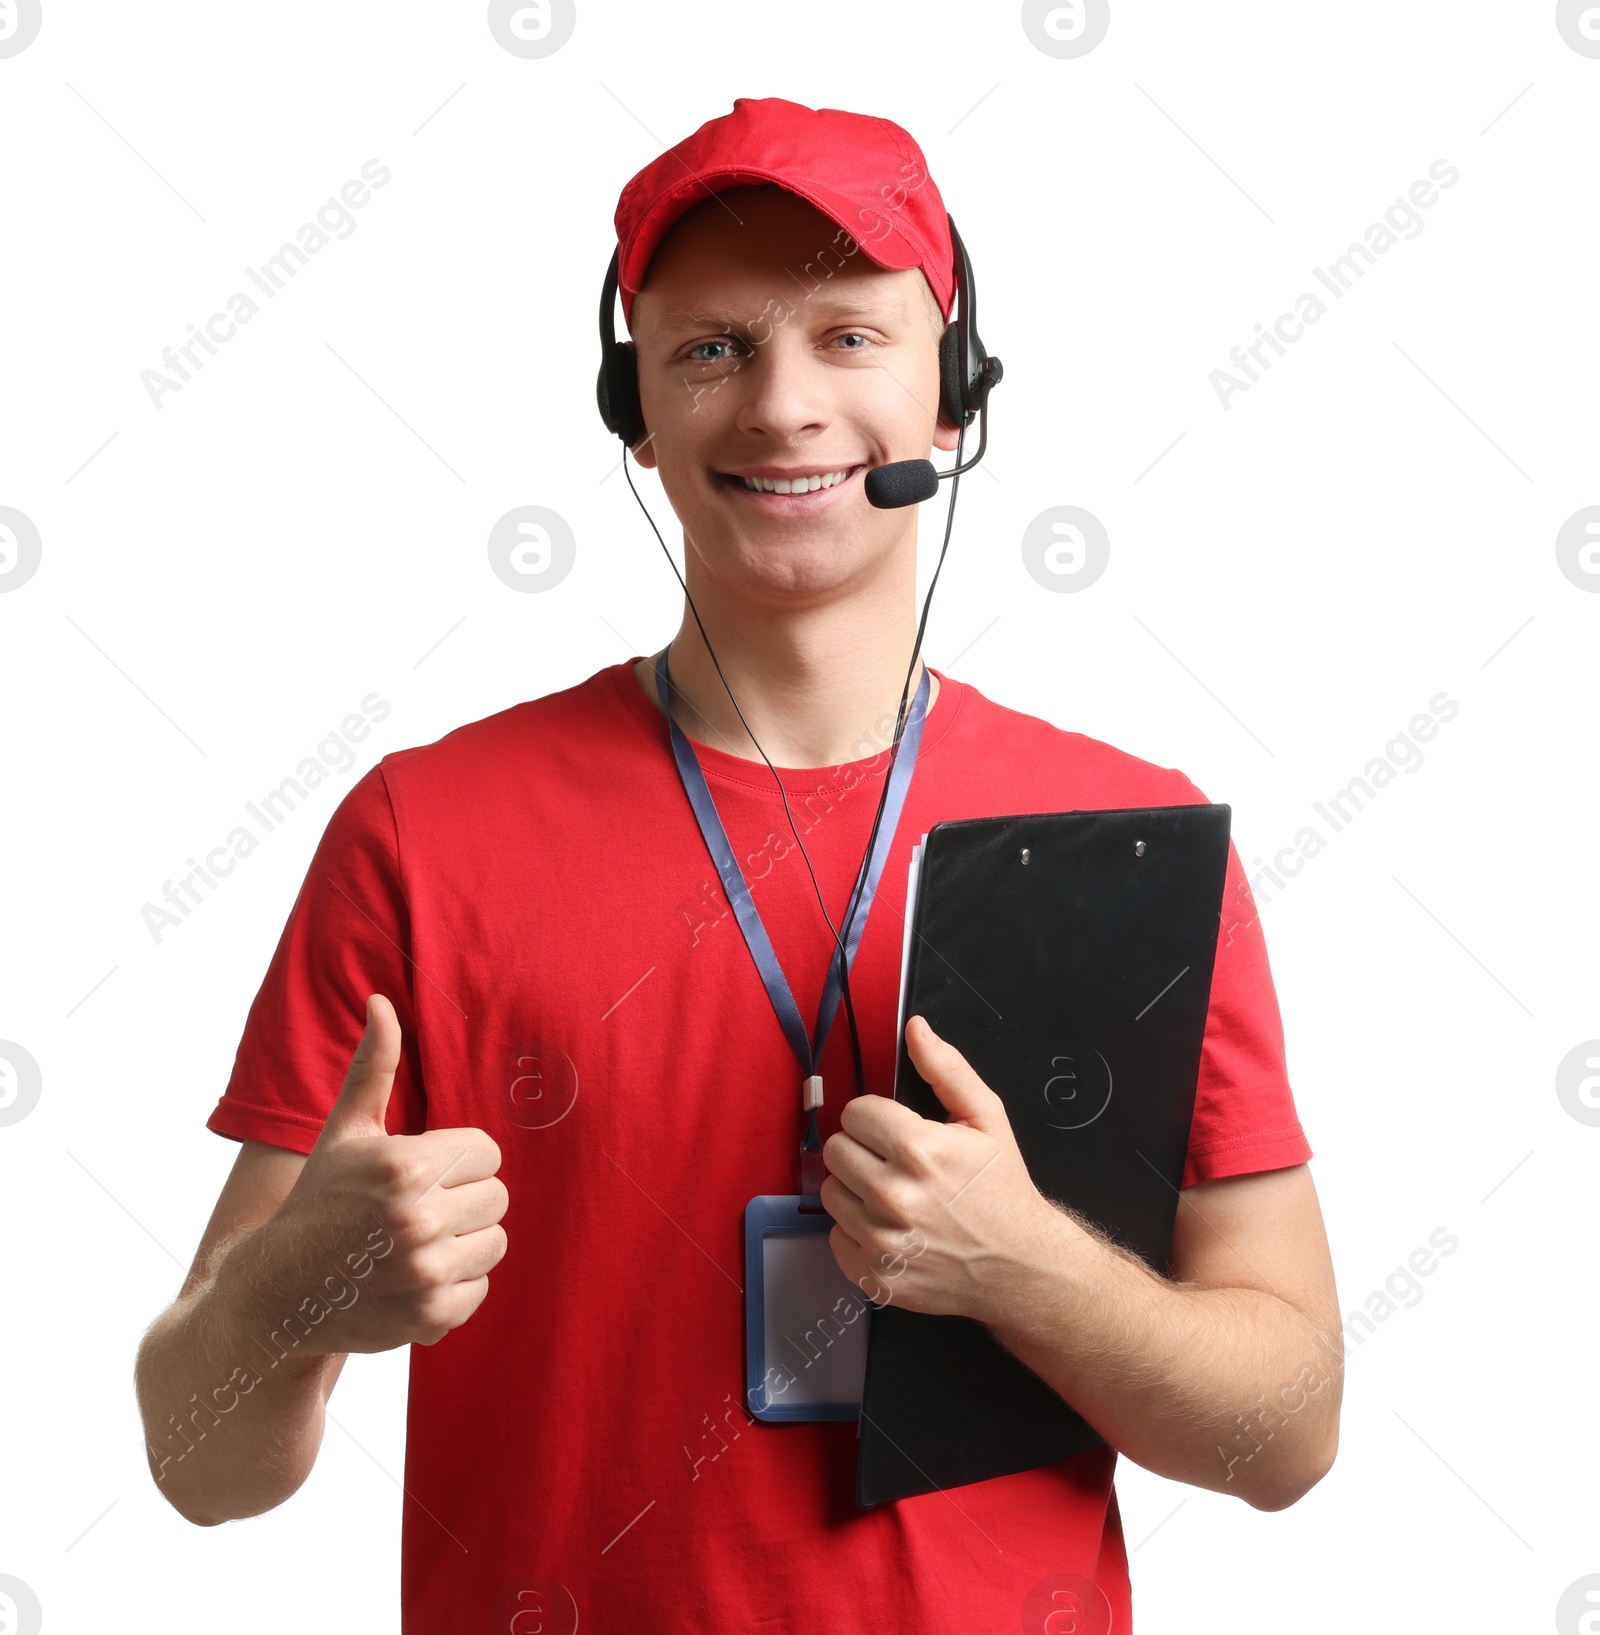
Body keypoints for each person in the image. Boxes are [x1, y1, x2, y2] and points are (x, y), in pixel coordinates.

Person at [135, 96, 1341, 1633]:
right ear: (630, 406)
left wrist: (1027, 1267)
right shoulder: (423, 832)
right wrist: (290, 1294)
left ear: (953, 397)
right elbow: (198, 1463)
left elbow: (1287, 1437)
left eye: (851, 337)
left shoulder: (1126, 840)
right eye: (712, 348)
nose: (783, 408)